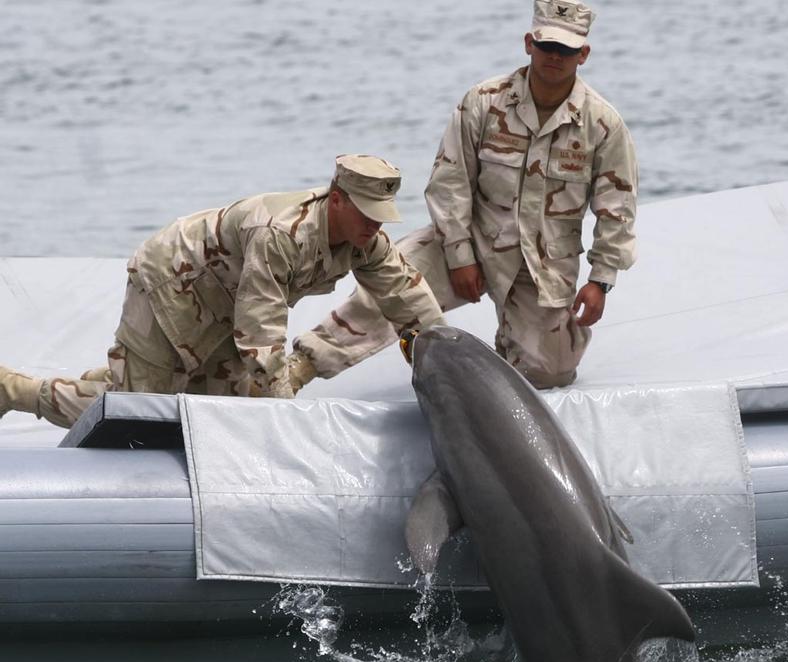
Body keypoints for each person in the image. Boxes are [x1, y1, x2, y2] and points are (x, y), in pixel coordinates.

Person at [1, 155, 445, 429]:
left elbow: (406, 295)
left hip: (228, 300)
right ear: (337, 201)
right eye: (368, 213)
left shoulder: (367, 240)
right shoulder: (282, 235)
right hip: (172, 284)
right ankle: (15, 390)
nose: (376, 224)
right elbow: (260, 332)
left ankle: (129, 374)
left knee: (223, 406)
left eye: (382, 215)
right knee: (137, 413)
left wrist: (444, 354)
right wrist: (289, 419)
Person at [336, 0, 638, 389]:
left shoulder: (603, 123)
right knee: (385, 294)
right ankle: (295, 368)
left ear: (583, 53)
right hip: (470, 237)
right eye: (547, 46)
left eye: (566, 50)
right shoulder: (483, 100)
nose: (555, 57)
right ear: (529, 43)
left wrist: (600, 281)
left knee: (549, 374)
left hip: (540, 265)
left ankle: (515, 346)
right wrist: (460, 255)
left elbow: (618, 208)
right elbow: (449, 181)